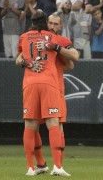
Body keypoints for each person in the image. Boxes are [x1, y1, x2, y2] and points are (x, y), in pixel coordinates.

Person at [16, 12, 79, 176]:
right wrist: (26, 62)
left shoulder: (60, 40)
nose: (52, 26)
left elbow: (72, 61)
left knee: (56, 125)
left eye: (55, 24)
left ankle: (57, 165)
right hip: (46, 84)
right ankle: (42, 164)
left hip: (55, 87)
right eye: (49, 23)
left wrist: (56, 49)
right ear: (45, 23)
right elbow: (18, 59)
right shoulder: (48, 37)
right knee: (38, 125)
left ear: (61, 26)